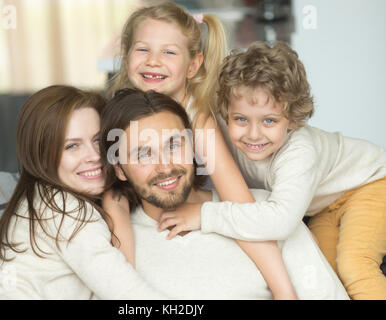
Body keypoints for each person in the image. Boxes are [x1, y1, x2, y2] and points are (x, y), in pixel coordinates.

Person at [159, 41, 386, 300]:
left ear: (292, 118)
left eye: (269, 120)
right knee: (325, 271)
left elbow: (280, 220)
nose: (253, 134)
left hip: (370, 185)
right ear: (226, 113)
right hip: (323, 205)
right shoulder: (219, 126)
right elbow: (191, 103)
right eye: (241, 119)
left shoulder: (300, 151)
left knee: (354, 266)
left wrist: (205, 215)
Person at [105, 0, 297, 299]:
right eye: (143, 49)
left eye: (168, 52)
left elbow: (243, 209)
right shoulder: (118, 111)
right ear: (126, 55)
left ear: (193, 65)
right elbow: (114, 194)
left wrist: (284, 292)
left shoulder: (198, 119)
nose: (153, 61)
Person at [99, 88, 349, 299]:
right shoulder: (114, 247)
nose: (165, 166)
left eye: (174, 145)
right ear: (120, 169)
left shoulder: (265, 214)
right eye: (144, 154)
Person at [0, 85, 167, 299]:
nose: (94, 155)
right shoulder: (65, 209)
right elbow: (126, 293)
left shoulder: (41, 197)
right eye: (72, 146)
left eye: (98, 140)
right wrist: (117, 210)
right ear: (43, 157)